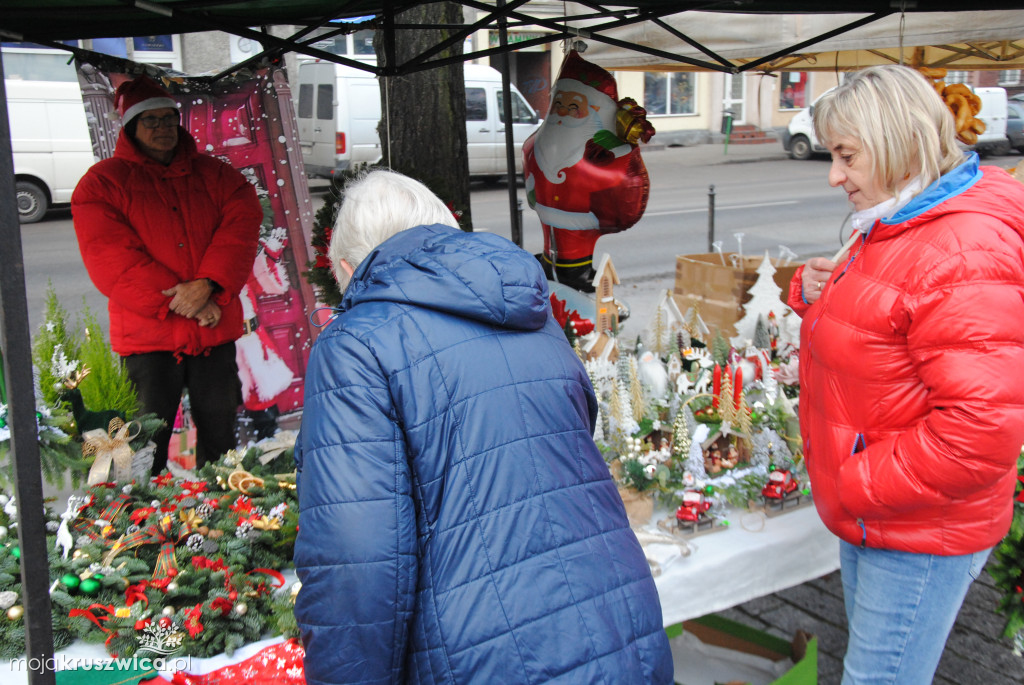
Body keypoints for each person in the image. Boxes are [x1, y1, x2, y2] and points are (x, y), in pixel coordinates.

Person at [293, 169, 673, 684]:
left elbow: (357, 560)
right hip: (622, 621)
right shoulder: (532, 312)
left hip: (492, 653)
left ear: (346, 267)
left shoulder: (356, 345)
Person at [786, 65, 1024, 684]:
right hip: (885, 513)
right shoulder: (902, 219)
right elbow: (882, 326)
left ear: (897, 141)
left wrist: (856, 480)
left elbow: (981, 432)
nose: (835, 175)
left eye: (847, 156)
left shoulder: (961, 247)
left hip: (916, 526)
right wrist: (812, 291)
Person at [72, 74, 262, 473]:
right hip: (150, 338)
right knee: (142, 446)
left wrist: (211, 286)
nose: (162, 129)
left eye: (168, 118)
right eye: (151, 121)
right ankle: (142, 524)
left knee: (221, 437)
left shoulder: (218, 176)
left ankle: (229, 516)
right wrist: (194, 303)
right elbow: (114, 261)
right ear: (131, 127)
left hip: (213, 331)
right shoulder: (101, 184)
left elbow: (240, 228)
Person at [522, 50, 654, 292]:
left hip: (581, 227)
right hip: (552, 232)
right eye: (559, 105)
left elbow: (625, 193)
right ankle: (555, 265)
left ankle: (571, 268)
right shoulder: (539, 145)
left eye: (573, 107)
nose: (562, 112)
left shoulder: (603, 151)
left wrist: (626, 149)